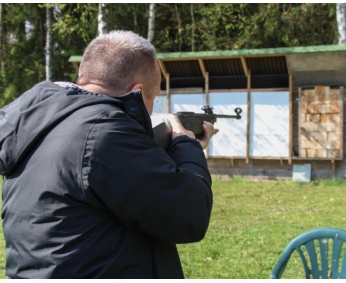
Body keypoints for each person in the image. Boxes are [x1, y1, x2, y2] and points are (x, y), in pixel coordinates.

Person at [0, 30, 218, 279]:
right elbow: (189, 215)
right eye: (152, 98)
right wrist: (185, 145)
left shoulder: (39, 122)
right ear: (137, 91)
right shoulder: (106, 133)